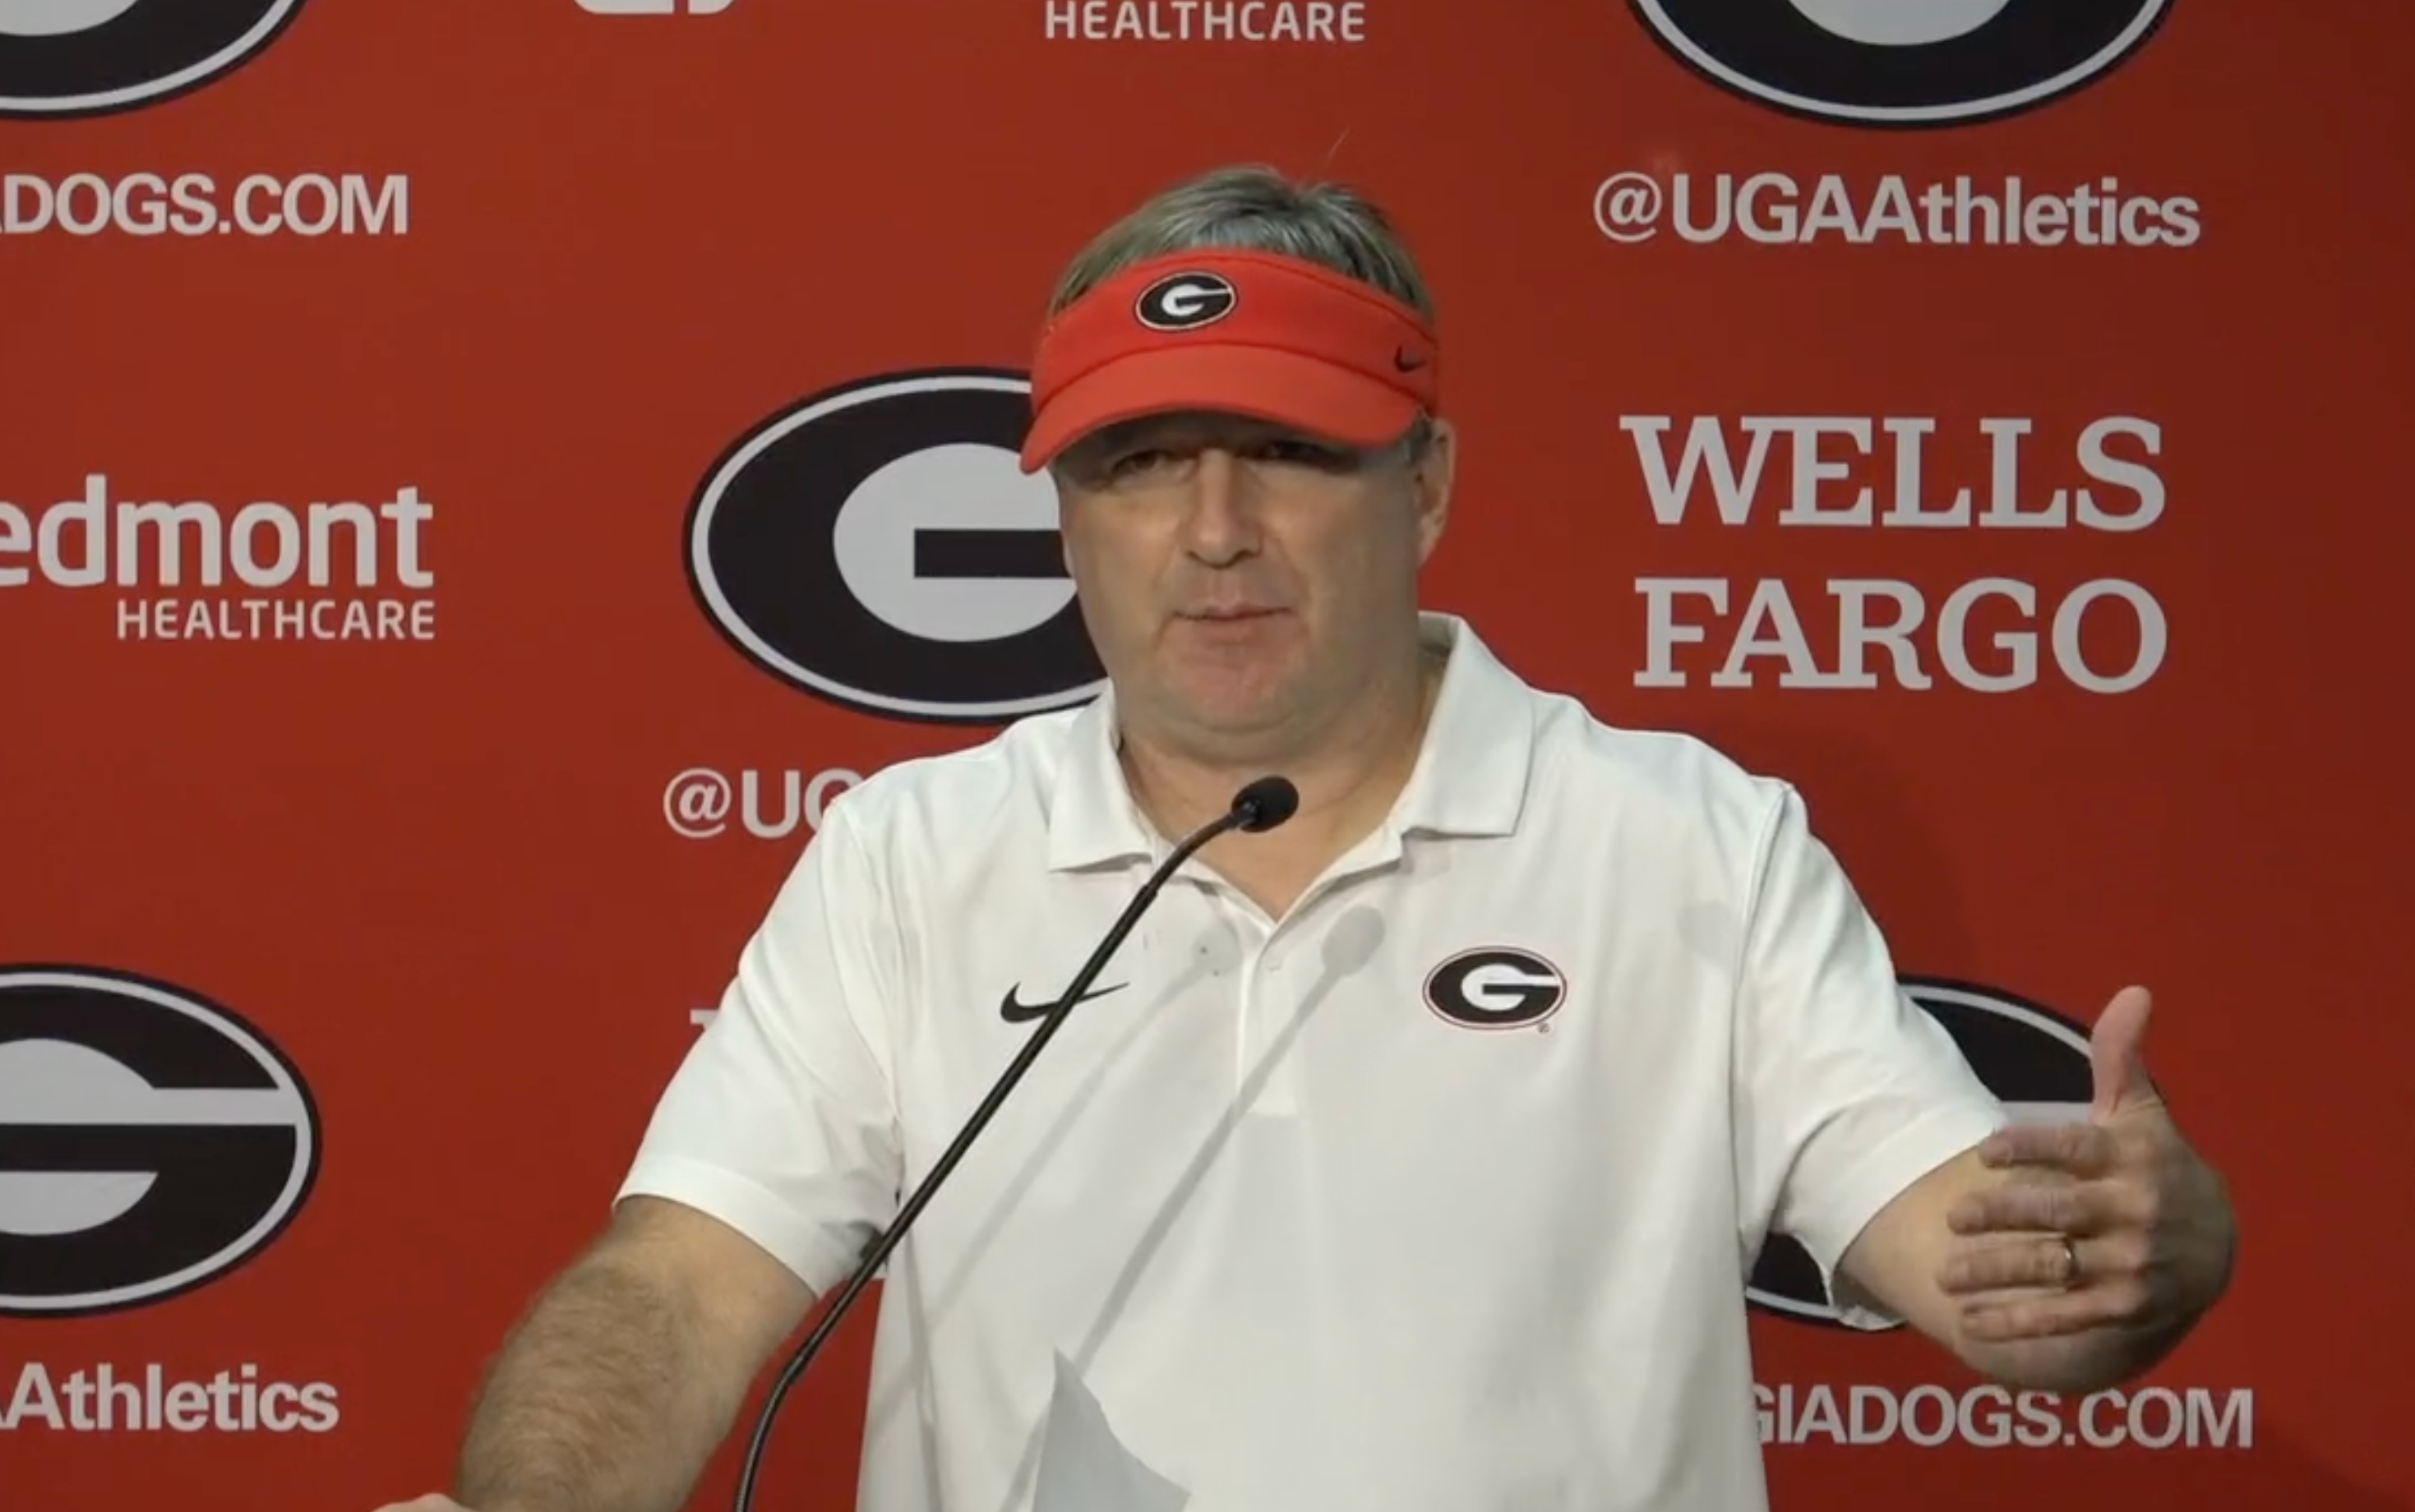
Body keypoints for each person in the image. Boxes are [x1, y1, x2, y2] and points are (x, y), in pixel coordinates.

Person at [375, 164, 2237, 1512]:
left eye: (1282, 450)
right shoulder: (908, 854)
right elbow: (678, 1284)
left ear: (1421, 478)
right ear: (1063, 518)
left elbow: (1996, 1276)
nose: (1210, 529)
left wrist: (2131, 1257)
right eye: (1136, 462)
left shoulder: (1687, 840)